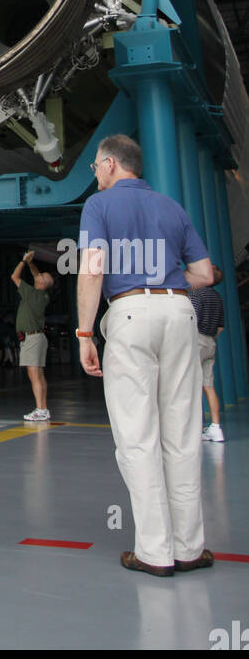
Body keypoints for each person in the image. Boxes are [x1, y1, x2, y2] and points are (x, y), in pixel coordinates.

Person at [77, 134, 215, 577]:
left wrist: (84, 333)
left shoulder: (99, 206)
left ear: (110, 164)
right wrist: (166, 280)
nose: (95, 174)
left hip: (130, 313)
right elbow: (205, 274)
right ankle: (189, 548)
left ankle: (154, 552)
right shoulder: (172, 207)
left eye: (96, 166)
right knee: (183, 434)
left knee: (138, 437)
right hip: (180, 313)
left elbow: (93, 268)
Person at [10, 250, 54, 420]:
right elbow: (36, 274)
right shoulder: (42, 295)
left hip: (32, 339)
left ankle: (40, 410)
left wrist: (23, 261)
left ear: (42, 282)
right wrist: (30, 263)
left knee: (34, 374)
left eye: (41, 276)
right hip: (38, 337)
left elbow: (14, 276)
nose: (38, 275)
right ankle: (43, 408)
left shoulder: (31, 293)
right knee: (39, 374)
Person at [189, 266, 226, 442]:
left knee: (191, 386)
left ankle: (194, 427)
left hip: (197, 341)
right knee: (208, 386)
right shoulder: (217, 297)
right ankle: (216, 427)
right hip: (211, 342)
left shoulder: (196, 294)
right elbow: (220, 327)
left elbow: (191, 320)